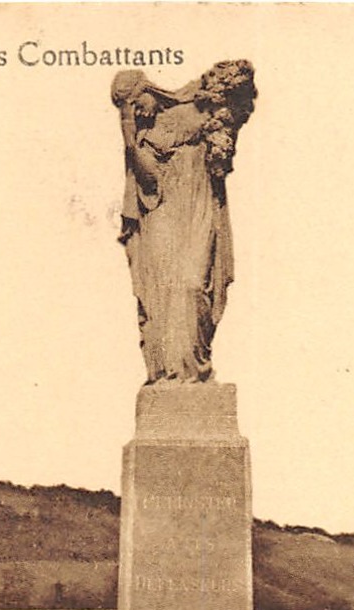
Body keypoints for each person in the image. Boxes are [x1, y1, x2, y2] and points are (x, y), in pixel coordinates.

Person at [112, 61, 256, 384]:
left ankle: (194, 370)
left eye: (135, 104)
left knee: (193, 285)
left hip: (199, 206)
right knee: (162, 291)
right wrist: (129, 131)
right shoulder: (145, 129)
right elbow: (148, 181)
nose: (139, 112)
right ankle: (169, 373)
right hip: (164, 212)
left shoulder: (203, 107)